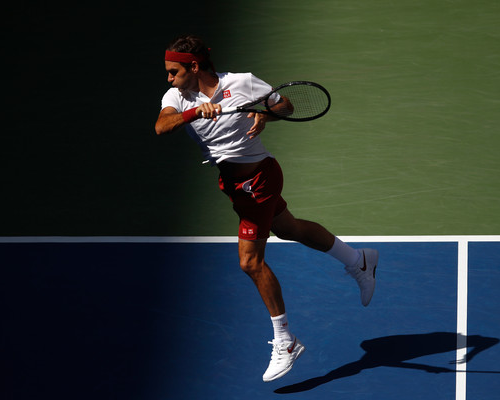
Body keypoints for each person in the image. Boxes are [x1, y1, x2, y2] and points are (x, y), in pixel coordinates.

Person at [155, 34, 379, 382]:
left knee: (250, 262)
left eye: (173, 71)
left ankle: (286, 340)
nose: (169, 78)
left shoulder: (242, 83)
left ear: (193, 66)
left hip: (259, 178)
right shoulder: (176, 96)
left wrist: (264, 116)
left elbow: (286, 107)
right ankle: (358, 260)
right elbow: (161, 127)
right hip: (233, 185)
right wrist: (194, 112)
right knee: (289, 228)